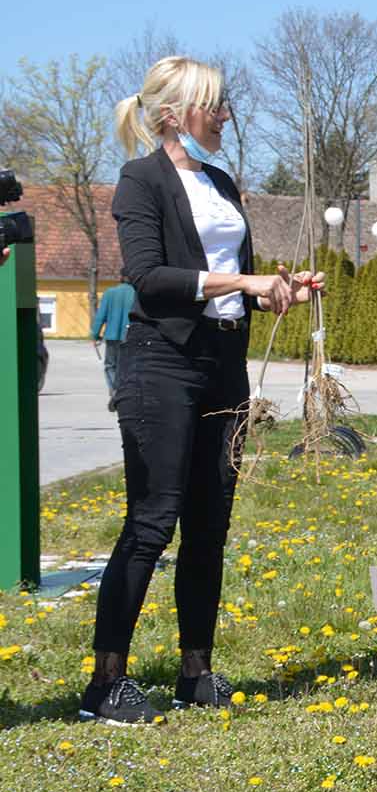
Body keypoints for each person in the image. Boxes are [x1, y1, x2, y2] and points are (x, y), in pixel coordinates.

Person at [80, 56, 323, 726]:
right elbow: (150, 279)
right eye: (214, 105)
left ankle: (195, 671)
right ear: (172, 115)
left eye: (225, 104)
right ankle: (106, 684)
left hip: (223, 364)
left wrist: (279, 291)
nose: (226, 116)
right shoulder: (140, 181)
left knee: (210, 527)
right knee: (153, 521)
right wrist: (243, 284)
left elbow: (231, 280)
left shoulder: (221, 183)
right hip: (161, 365)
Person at [91, 282, 137, 410]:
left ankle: (115, 390)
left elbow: (100, 316)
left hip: (112, 335)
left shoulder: (110, 293)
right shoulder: (136, 293)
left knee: (110, 366)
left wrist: (95, 335)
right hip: (131, 335)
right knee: (127, 366)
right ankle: (123, 392)